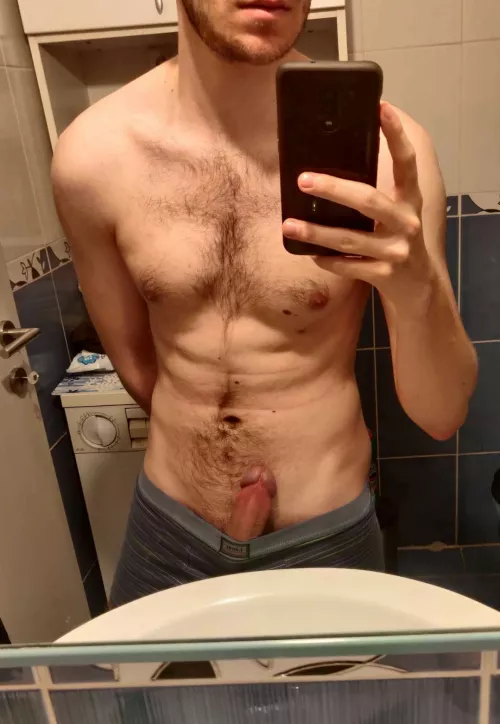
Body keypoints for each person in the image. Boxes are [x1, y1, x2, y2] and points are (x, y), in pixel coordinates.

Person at [52, 0, 477, 607]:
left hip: (325, 535)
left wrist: (418, 290)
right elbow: (139, 364)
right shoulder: (93, 157)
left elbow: (443, 414)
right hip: (169, 533)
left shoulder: (390, 158)